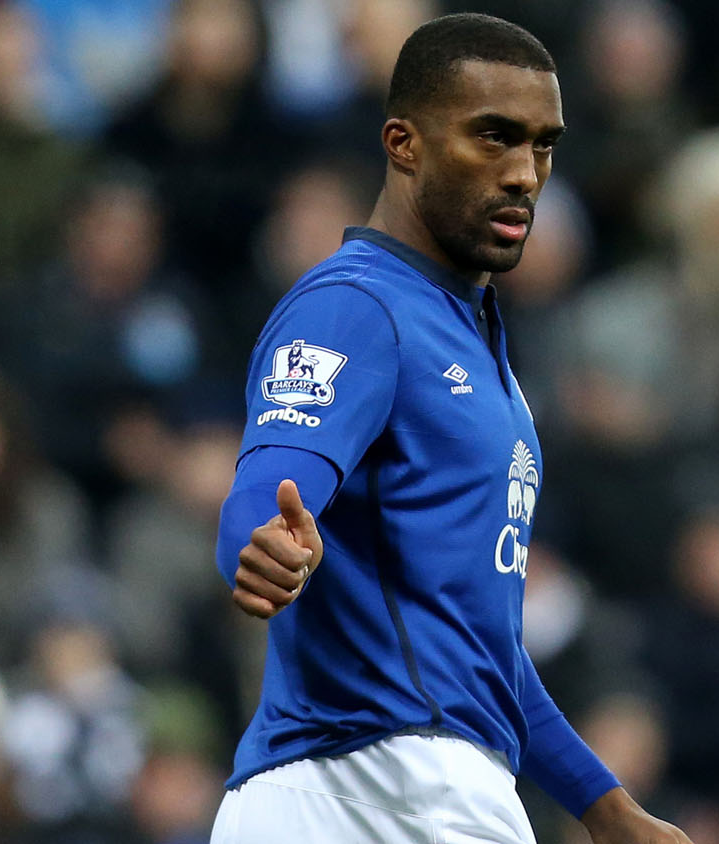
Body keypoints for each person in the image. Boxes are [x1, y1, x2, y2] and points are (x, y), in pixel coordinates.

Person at [210, 13, 690, 844]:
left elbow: (475, 648)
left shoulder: (475, 346)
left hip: (399, 788)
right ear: (403, 142)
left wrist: (606, 809)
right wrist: (263, 547)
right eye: (493, 137)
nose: (524, 175)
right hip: (373, 788)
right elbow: (269, 488)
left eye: (542, 145)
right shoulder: (356, 308)